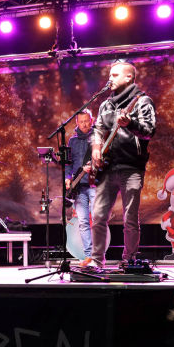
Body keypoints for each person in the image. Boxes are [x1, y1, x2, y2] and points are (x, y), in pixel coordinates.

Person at [82, 60, 156, 267]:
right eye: (110, 75)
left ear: (129, 77)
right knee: (98, 216)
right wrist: (96, 148)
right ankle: (97, 260)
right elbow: (97, 130)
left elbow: (149, 131)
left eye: (115, 75)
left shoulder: (142, 101)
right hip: (107, 169)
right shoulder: (106, 105)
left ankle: (129, 259)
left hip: (131, 168)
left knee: (129, 218)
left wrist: (130, 123)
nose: (110, 79)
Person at [65, 109, 96, 259]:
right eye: (81, 122)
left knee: (97, 220)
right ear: (77, 122)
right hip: (79, 187)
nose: (84, 124)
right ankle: (88, 256)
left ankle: (98, 256)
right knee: (83, 222)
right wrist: (67, 178)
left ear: (92, 121)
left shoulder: (97, 137)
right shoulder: (72, 141)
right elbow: (68, 164)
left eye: (86, 121)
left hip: (96, 185)